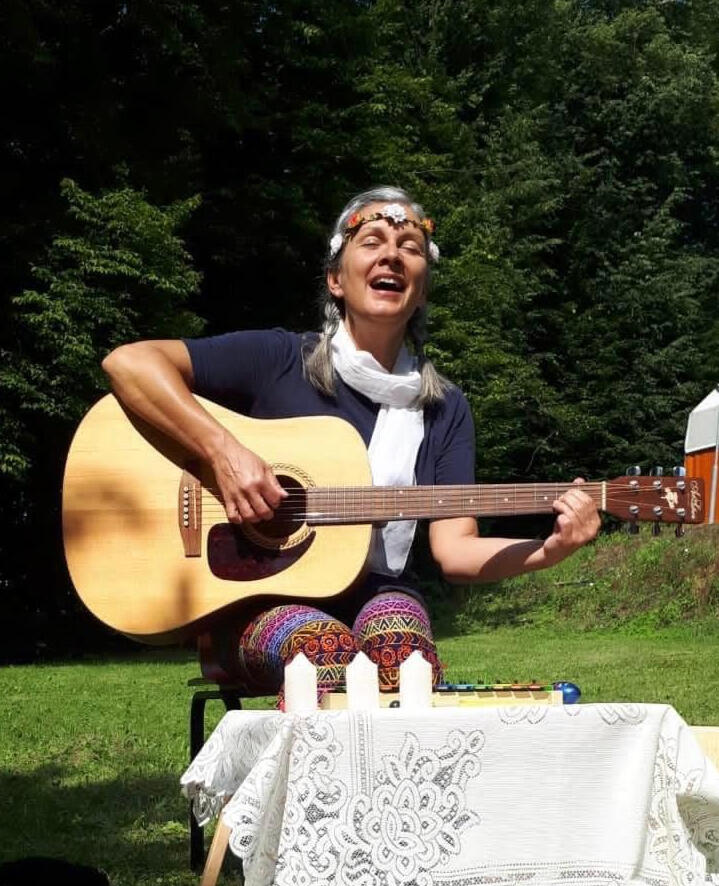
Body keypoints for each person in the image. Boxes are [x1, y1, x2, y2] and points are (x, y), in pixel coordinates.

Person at [102, 186, 600, 698]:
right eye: (373, 241)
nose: (392, 255)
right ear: (335, 280)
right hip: (254, 600)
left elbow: (455, 551)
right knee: (322, 655)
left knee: (406, 663)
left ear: (422, 291)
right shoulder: (278, 359)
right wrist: (223, 452)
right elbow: (130, 364)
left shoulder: (444, 407)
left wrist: (548, 550)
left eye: (409, 247)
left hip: (381, 593)